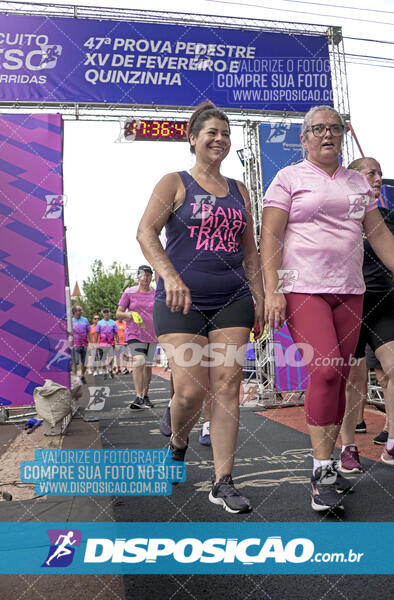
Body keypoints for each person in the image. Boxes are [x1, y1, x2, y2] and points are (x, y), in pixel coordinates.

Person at [260, 106, 394, 513]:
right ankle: (321, 470)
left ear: (342, 136)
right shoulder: (288, 179)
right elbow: (270, 236)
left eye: (334, 129)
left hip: (350, 292)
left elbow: (378, 235)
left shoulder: (358, 183)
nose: (327, 134)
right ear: (304, 139)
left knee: (338, 377)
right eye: (318, 129)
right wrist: (273, 291)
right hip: (303, 290)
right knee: (322, 370)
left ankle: (336, 459)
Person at [137, 101, 264, 514]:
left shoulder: (240, 191)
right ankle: (177, 441)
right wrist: (169, 275)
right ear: (193, 139)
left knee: (227, 385)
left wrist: (259, 298)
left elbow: (251, 253)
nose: (220, 139)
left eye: (225, 134)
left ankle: (222, 481)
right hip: (181, 300)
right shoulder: (173, 182)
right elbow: (145, 232)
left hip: (232, 298)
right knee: (191, 392)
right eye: (211, 132)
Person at [340, 157, 394, 472]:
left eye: (379, 173)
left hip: (385, 302)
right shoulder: (339, 216)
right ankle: (348, 446)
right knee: (355, 379)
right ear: (353, 178)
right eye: (370, 172)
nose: (378, 178)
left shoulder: (389, 218)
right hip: (350, 301)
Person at [116, 265, 157, 409]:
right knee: (139, 360)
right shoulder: (129, 292)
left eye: (148, 275)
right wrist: (129, 314)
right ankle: (138, 396)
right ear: (138, 277)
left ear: (151, 277)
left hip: (152, 334)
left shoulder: (156, 293)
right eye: (142, 275)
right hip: (134, 333)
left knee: (147, 365)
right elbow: (118, 313)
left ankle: (145, 395)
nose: (145, 278)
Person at [95, 308, 118, 379]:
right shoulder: (100, 323)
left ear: (109, 313)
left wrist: (118, 342)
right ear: (103, 314)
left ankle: (110, 370)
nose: (106, 314)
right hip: (102, 344)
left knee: (111, 357)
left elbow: (116, 333)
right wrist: (95, 343)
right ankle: (105, 371)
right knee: (103, 359)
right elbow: (96, 333)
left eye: (107, 312)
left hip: (111, 343)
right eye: (104, 312)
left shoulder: (113, 322)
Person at [71, 305, 91, 383]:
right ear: (74, 312)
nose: (81, 311)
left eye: (81, 310)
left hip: (85, 344)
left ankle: (82, 376)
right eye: (79, 310)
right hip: (75, 345)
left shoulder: (85, 320)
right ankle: (75, 378)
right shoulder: (70, 321)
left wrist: (91, 342)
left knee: (85, 362)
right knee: (75, 362)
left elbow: (89, 331)